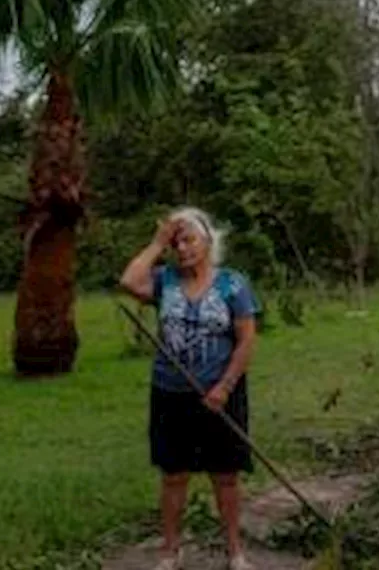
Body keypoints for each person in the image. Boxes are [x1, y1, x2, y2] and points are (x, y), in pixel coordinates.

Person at [119, 207, 260, 570]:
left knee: (225, 475)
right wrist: (157, 242)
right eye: (177, 242)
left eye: (190, 239)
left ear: (208, 241)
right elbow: (129, 282)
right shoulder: (164, 280)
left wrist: (225, 387)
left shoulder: (233, 284)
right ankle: (170, 552)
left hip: (221, 394)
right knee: (174, 475)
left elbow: (245, 341)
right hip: (171, 393)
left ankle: (235, 552)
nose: (183, 248)